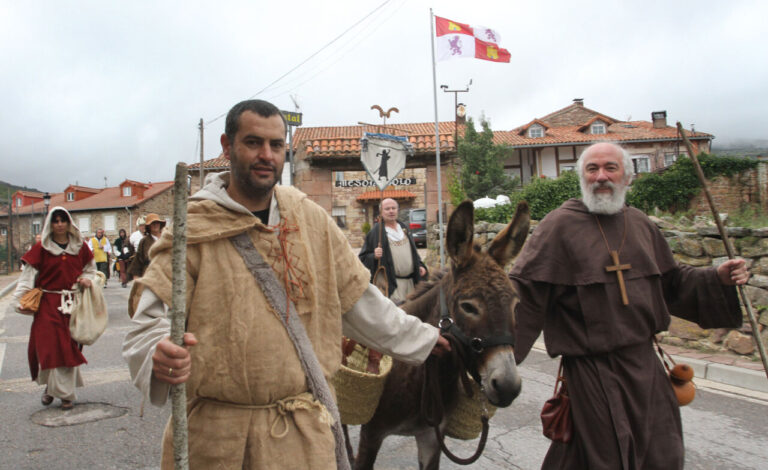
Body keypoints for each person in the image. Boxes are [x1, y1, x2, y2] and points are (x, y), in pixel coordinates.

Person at [122, 99, 450, 470]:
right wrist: (159, 354)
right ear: (227, 147)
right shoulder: (191, 227)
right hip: (216, 442)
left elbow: (360, 301)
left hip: (300, 441)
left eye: (276, 145)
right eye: (253, 142)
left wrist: (423, 338)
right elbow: (147, 325)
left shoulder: (310, 219)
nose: (266, 155)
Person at [508, 142, 750, 470]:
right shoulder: (558, 226)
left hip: (646, 368)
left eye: (611, 168)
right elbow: (524, 296)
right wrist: (493, 358)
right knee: (603, 459)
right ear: (581, 177)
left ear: (627, 177)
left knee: (663, 454)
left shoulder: (640, 224)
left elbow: (672, 282)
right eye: (592, 169)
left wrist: (717, 277)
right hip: (592, 374)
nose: (601, 176)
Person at [13, 207, 97, 410]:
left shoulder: (80, 247)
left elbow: (91, 270)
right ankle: (55, 390)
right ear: (50, 224)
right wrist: (20, 299)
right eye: (55, 221)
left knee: (68, 347)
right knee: (49, 347)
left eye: (63, 220)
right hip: (48, 304)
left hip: (73, 303)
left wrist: (88, 280)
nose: (59, 224)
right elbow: (27, 276)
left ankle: (61, 392)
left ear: (69, 223)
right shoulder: (42, 248)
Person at [358, 198, 427, 302]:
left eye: (393, 208)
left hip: (411, 284)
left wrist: (420, 265)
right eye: (387, 209)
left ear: (397, 210)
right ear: (381, 212)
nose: (391, 211)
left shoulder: (404, 228)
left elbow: (413, 253)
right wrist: (374, 256)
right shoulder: (376, 232)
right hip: (391, 286)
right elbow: (362, 259)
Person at [127, 213, 165, 278]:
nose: (155, 225)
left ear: (160, 224)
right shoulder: (144, 241)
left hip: (165, 274)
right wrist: (136, 278)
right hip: (149, 274)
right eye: (153, 223)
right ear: (148, 226)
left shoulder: (166, 239)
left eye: (157, 223)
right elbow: (138, 261)